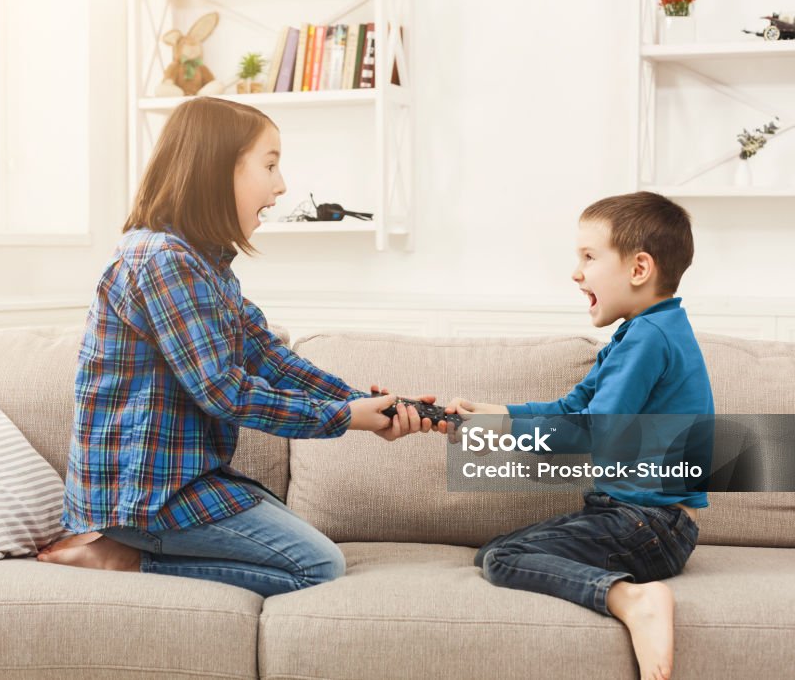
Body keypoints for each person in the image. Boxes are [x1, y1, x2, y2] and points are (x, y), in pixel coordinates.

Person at [38, 97, 434, 596]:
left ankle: (133, 547)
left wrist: (369, 403)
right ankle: (124, 557)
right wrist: (345, 417)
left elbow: (267, 357)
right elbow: (225, 391)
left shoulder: (204, 265)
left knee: (304, 546)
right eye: (269, 164)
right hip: (144, 495)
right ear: (215, 169)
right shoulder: (162, 260)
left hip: (184, 481)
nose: (282, 184)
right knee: (318, 567)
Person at [441, 192, 713, 680]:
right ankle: (626, 590)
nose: (576, 271)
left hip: (650, 524)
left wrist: (497, 433)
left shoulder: (649, 340)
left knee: (505, 559)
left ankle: (633, 598)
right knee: (492, 552)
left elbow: (588, 431)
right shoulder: (641, 333)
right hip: (638, 519)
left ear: (639, 269)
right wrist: (492, 413)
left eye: (589, 257)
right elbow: (572, 408)